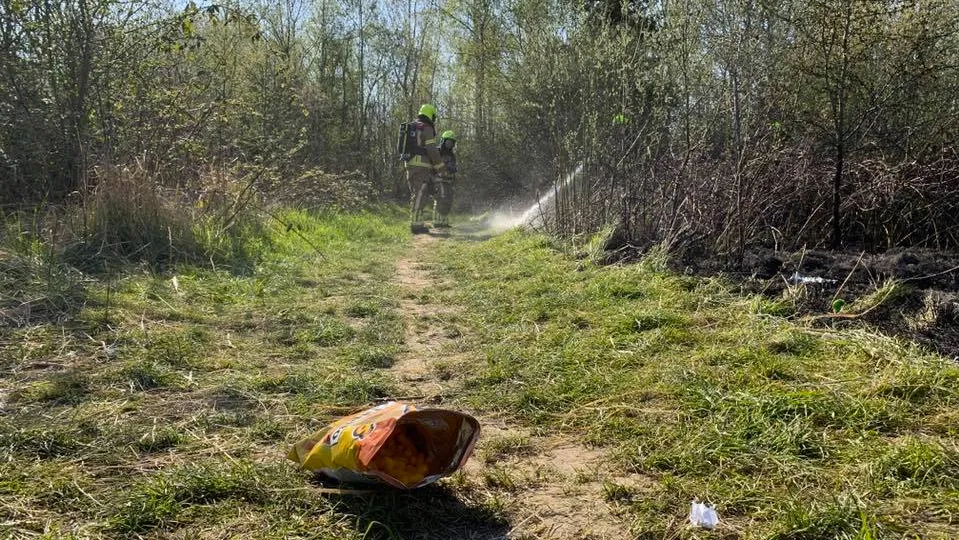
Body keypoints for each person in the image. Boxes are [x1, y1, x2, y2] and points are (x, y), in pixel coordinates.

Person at [404, 104, 446, 233]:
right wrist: (440, 167)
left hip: (411, 164)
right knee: (420, 193)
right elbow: (432, 149)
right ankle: (416, 225)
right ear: (430, 115)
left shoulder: (413, 126)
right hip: (420, 166)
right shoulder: (426, 128)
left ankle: (418, 222)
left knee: (418, 193)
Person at [433, 131, 457, 228]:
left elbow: (454, 168)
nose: (449, 144)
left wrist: (453, 172)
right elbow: (433, 165)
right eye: (448, 142)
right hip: (438, 179)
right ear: (443, 141)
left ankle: (444, 221)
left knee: (449, 200)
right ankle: (437, 222)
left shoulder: (452, 155)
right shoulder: (437, 151)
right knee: (441, 198)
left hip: (449, 181)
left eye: (451, 142)